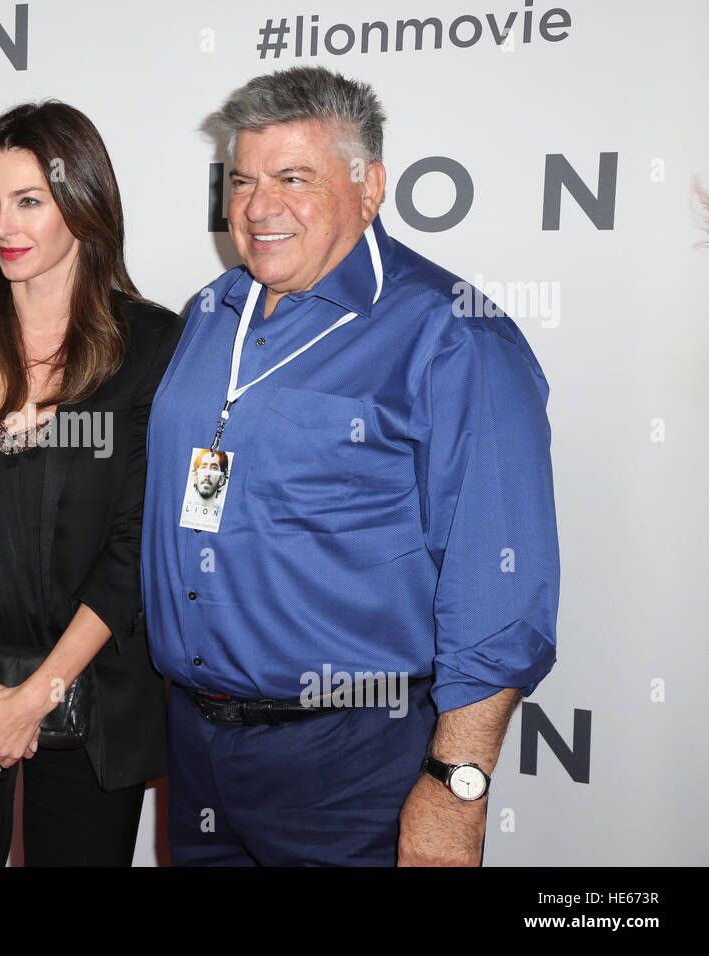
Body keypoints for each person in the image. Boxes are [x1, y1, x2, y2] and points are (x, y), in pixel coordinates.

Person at [142, 66, 560, 866]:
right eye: (243, 180)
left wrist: (455, 786)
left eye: (293, 178)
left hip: (354, 764)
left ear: (370, 190)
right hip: (197, 749)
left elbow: (500, 595)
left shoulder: (453, 338)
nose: (258, 207)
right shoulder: (209, 313)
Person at [0, 101, 183, 866]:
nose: (2, 227)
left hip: (91, 684)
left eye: (29, 202)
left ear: (83, 204)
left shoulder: (152, 345)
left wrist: (36, 697)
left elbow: (135, 545)